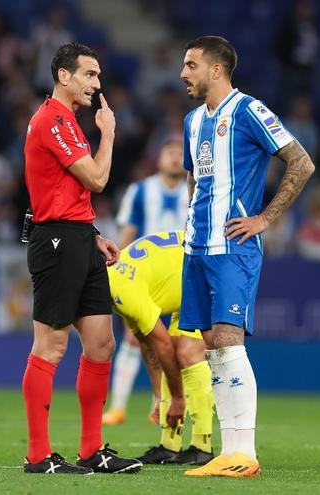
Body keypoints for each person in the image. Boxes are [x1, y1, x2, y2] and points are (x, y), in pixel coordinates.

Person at [177, 36, 316, 477]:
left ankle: (245, 453)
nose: (183, 73)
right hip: (197, 247)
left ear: (216, 70)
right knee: (213, 345)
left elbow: (301, 163)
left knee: (229, 339)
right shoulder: (192, 121)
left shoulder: (249, 110)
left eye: (191, 65)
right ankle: (230, 451)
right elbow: (194, 180)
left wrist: (264, 218)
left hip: (234, 247)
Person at [20, 42, 140, 475]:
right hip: (56, 242)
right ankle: (38, 456)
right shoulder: (52, 119)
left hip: (78, 237)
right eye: (90, 74)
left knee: (102, 344)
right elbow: (97, 178)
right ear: (64, 75)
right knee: (51, 347)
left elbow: (66, 192)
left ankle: (92, 451)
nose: (97, 84)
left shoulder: (67, 121)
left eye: (99, 76)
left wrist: (91, 234)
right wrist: (108, 133)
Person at [107, 231, 215, 466]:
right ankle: (170, 446)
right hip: (181, 275)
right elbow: (149, 347)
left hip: (201, 269)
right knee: (171, 352)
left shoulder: (121, 292)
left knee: (186, 353)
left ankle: (202, 446)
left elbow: (162, 344)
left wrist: (177, 398)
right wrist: (159, 396)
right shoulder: (112, 283)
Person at [103, 138, 189, 426]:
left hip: (180, 273)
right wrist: (119, 266)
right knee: (136, 337)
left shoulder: (195, 189)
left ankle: (175, 401)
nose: (176, 158)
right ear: (159, 159)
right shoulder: (140, 191)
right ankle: (119, 406)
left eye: (180, 153)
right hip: (143, 276)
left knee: (181, 343)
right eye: (170, 153)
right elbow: (127, 232)